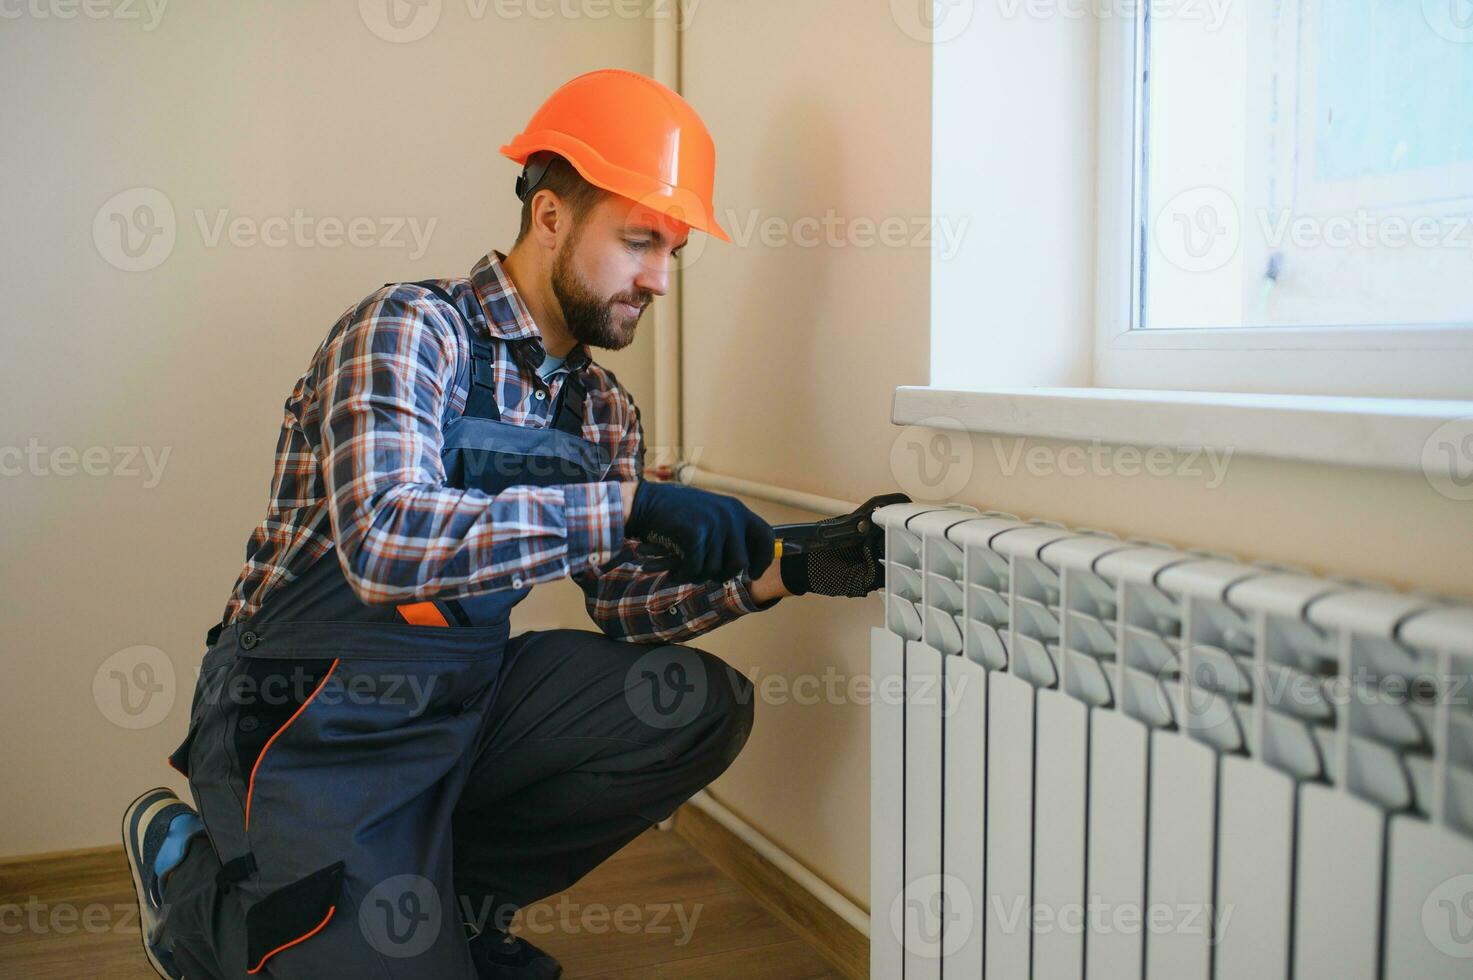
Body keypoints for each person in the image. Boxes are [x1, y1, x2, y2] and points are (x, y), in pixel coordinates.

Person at [121, 68, 885, 980]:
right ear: (551, 216)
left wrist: (783, 569)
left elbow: (623, 607)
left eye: (674, 250)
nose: (660, 279)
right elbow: (384, 541)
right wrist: (632, 502)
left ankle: (458, 909)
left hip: (459, 699)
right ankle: (187, 884)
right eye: (640, 240)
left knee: (693, 705)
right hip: (303, 715)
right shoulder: (409, 329)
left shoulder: (600, 410)